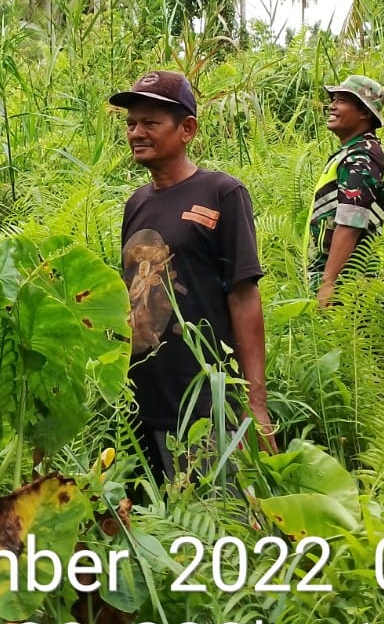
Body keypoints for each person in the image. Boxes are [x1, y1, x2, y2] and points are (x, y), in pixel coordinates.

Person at [111, 69, 274, 482]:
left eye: (150, 122)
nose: (136, 132)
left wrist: (255, 400)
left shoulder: (222, 193)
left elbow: (244, 297)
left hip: (202, 401)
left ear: (187, 129)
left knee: (213, 525)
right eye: (131, 123)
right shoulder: (136, 204)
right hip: (139, 401)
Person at [307, 74, 384, 308]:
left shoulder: (361, 158)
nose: (332, 105)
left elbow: (351, 221)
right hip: (348, 282)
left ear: (364, 112)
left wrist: (329, 282)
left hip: (349, 286)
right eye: (333, 99)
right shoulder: (359, 152)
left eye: (342, 100)